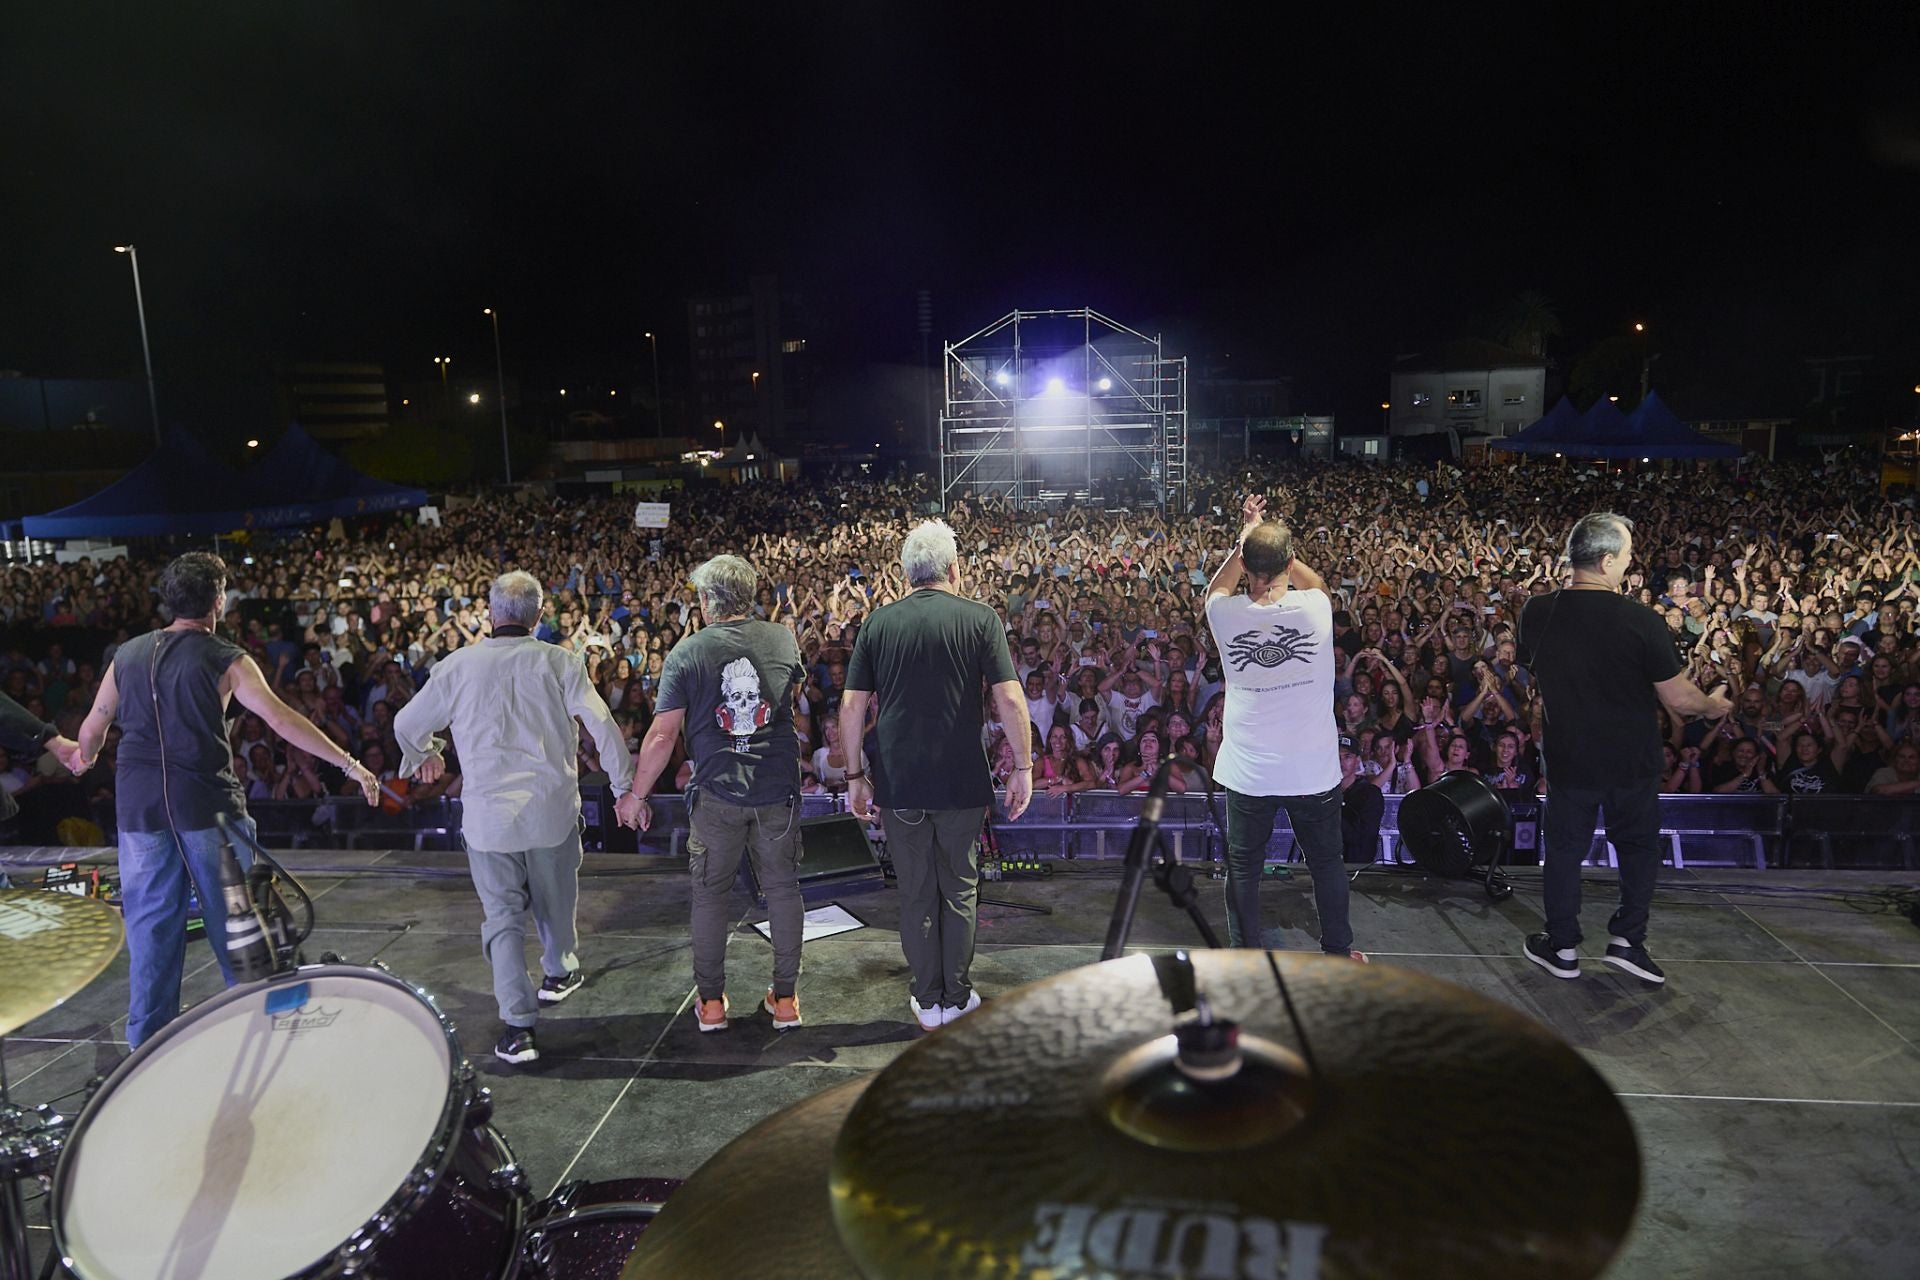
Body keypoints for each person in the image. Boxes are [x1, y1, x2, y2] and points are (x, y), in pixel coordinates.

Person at [71, 553, 380, 1048]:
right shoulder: (225, 658)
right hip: (207, 808)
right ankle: (260, 1030)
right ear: (218, 599)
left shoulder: (125, 654)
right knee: (238, 924)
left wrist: (78, 758)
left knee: (152, 930)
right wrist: (350, 763)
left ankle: (147, 1045)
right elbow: (281, 720)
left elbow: (91, 732)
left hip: (140, 810)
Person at [395, 570, 633, 1065]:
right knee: (556, 897)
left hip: (488, 821)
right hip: (549, 811)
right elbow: (602, 725)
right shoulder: (559, 663)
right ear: (539, 617)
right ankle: (559, 969)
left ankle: (518, 1028)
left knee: (501, 921)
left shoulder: (457, 666)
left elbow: (405, 724)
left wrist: (426, 752)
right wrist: (624, 787)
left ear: (490, 612)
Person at [1517, 514, 1730, 985]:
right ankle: (1628, 942)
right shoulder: (1640, 619)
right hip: (1630, 757)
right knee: (1636, 848)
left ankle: (1563, 945)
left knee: (1566, 850)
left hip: (1570, 754)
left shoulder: (1535, 611)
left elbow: (1535, 672)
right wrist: (1713, 706)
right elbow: (1677, 698)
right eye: (1629, 555)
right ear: (1608, 560)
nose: (1631, 563)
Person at [841, 520, 1032, 1032]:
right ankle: (957, 995)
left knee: (916, 890)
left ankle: (928, 1001)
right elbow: (1010, 698)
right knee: (960, 886)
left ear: (906, 575)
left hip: (899, 781)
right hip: (960, 779)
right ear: (954, 568)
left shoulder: (878, 623)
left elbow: (852, 704)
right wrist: (1024, 766)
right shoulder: (979, 618)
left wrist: (855, 774)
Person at [615, 554, 807, 1033]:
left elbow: (661, 736)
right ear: (750, 596)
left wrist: (636, 796)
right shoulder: (781, 638)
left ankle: (712, 1005)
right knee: (784, 891)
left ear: (705, 602)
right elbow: (793, 700)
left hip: (718, 794)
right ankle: (785, 1001)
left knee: (710, 897)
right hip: (775, 790)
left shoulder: (688, 653)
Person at [1204, 494, 1364, 961]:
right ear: (1289, 562)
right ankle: (1337, 951)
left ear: (1245, 565)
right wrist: (1267, 539)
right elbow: (1318, 582)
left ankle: (1243, 956)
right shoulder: (1314, 608)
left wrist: (1246, 537)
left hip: (1249, 772)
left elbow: (1215, 588)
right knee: (1326, 865)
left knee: (1244, 868)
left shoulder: (1225, 614)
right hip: (1311, 770)